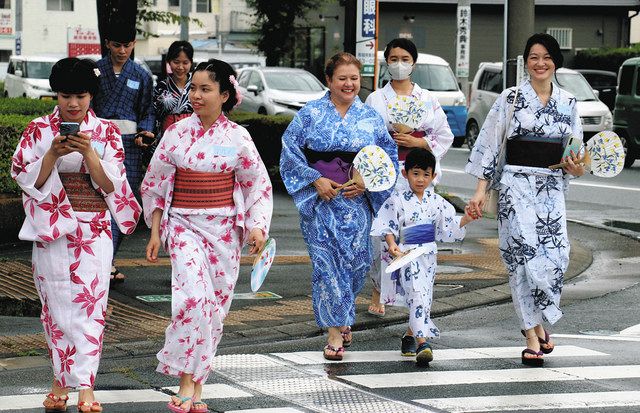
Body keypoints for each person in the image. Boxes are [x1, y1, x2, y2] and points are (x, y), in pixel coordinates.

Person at [10, 57, 141, 412]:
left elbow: (112, 185)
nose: (73, 103)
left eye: (81, 96)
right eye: (66, 95)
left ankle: (85, 385)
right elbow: (26, 179)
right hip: (52, 228)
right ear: (56, 94)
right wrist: (51, 153)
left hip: (93, 229)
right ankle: (58, 380)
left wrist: (90, 156)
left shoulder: (107, 133)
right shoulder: (38, 130)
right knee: (55, 307)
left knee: (91, 305)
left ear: (91, 96)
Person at [142, 58, 273, 413]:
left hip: (224, 230)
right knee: (193, 300)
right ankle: (185, 381)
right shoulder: (176, 133)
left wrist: (258, 226)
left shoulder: (238, 137)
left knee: (215, 308)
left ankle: (197, 384)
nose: (196, 96)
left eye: (205, 89)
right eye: (193, 89)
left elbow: (256, 185)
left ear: (225, 94)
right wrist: (155, 232)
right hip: (183, 224)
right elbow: (155, 184)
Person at [465, 33, 585, 367]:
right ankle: (531, 332)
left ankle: (539, 319)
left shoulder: (569, 103)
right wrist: (479, 191)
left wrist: (577, 166)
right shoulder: (511, 98)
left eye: (546, 56)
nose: (540, 63)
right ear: (525, 62)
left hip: (551, 189)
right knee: (522, 259)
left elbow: (576, 158)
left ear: (555, 61)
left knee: (557, 257)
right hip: (515, 186)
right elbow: (489, 145)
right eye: (533, 56)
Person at [280, 52, 398, 361]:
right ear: (329, 80)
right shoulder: (310, 114)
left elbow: (389, 158)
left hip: (356, 202)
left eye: (354, 79)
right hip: (321, 202)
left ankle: (343, 314)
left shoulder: (370, 118)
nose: (349, 84)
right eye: (342, 78)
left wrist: (367, 182)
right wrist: (315, 178)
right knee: (326, 266)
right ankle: (334, 331)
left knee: (356, 264)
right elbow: (290, 152)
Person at [364, 38, 454, 329]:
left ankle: (417, 302)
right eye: (393, 58)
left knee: (417, 238)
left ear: (413, 63)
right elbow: (364, 138)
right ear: (386, 62)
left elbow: (445, 135)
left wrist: (419, 142)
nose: (399, 63)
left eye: (404, 58)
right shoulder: (376, 99)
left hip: (418, 176)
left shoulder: (427, 98)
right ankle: (380, 289)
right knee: (383, 236)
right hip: (386, 175)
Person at [371, 148, 476, 366]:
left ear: (433, 176)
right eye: (416, 173)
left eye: (426, 175)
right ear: (405, 173)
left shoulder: (436, 201)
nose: (421, 179)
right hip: (407, 253)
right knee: (417, 293)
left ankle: (410, 336)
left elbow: (448, 227)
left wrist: (466, 218)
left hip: (428, 254)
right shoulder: (397, 200)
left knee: (424, 297)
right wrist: (392, 245)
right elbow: (387, 224)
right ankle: (422, 342)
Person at [93, 21, 155, 284]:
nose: (122, 51)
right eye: (117, 45)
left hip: (129, 143)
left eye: (127, 45)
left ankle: (108, 259)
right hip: (97, 142)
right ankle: (97, 259)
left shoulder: (141, 75)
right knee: (96, 199)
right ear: (108, 44)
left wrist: (145, 133)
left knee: (125, 200)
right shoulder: (94, 71)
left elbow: (147, 112)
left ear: (133, 45)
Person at [154, 40, 194, 136]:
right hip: (167, 136)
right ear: (168, 62)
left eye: (185, 63)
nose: (180, 67)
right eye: (176, 62)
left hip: (193, 135)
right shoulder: (161, 87)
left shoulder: (197, 86)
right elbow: (153, 115)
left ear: (191, 63)